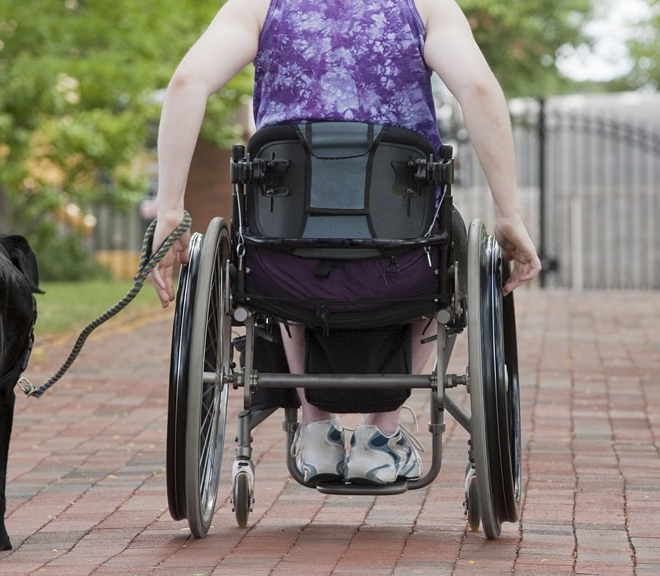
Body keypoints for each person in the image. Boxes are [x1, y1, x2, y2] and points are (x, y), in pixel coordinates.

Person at [148, 0, 542, 485]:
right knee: (449, 246)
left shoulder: (258, 5)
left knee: (278, 228)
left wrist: (170, 211)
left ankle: (315, 431)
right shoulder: (426, 6)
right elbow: (479, 88)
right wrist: (509, 215)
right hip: (405, 261)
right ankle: (381, 437)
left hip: (283, 266)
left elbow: (188, 82)